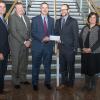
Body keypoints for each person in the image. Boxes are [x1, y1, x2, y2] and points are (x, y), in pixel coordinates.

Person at [55, 4, 79, 89]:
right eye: (61, 10)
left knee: (71, 68)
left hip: (70, 49)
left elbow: (76, 36)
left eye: (65, 9)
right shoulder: (57, 21)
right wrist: (56, 39)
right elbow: (56, 34)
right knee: (63, 68)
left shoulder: (73, 21)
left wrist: (75, 49)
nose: (63, 11)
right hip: (61, 49)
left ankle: (71, 83)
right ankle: (63, 82)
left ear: (68, 10)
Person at [31, 2, 54, 91]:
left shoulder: (52, 20)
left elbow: (53, 32)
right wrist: (42, 38)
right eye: (43, 7)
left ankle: (47, 82)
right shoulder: (35, 19)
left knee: (47, 66)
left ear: (48, 9)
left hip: (48, 47)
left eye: (46, 7)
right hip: (37, 47)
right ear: (40, 9)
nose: (45, 9)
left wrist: (51, 38)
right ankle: (35, 83)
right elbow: (33, 32)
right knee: (35, 66)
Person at [8, 2, 31, 89]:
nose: (21, 9)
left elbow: (29, 31)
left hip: (26, 44)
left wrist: (29, 40)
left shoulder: (26, 18)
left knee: (24, 62)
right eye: (19, 8)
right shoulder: (12, 17)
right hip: (16, 45)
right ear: (15, 9)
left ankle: (23, 79)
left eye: (22, 7)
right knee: (16, 63)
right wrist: (24, 42)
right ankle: (15, 81)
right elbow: (14, 32)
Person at [79, 12, 100, 91]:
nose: (92, 19)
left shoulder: (98, 28)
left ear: (96, 19)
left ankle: (93, 85)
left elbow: (99, 41)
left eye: (94, 17)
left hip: (94, 53)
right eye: (91, 17)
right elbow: (80, 38)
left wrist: (91, 49)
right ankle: (86, 85)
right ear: (88, 19)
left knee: (93, 69)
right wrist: (82, 48)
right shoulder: (85, 27)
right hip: (84, 52)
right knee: (86, 69)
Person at [0, 2, 9, 93]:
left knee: (2, 71)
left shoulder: (3, 19)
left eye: (4, 7)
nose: (2, 8)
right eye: (0, 7)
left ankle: (1, 88)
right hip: (1, 52)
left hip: (5, 51)